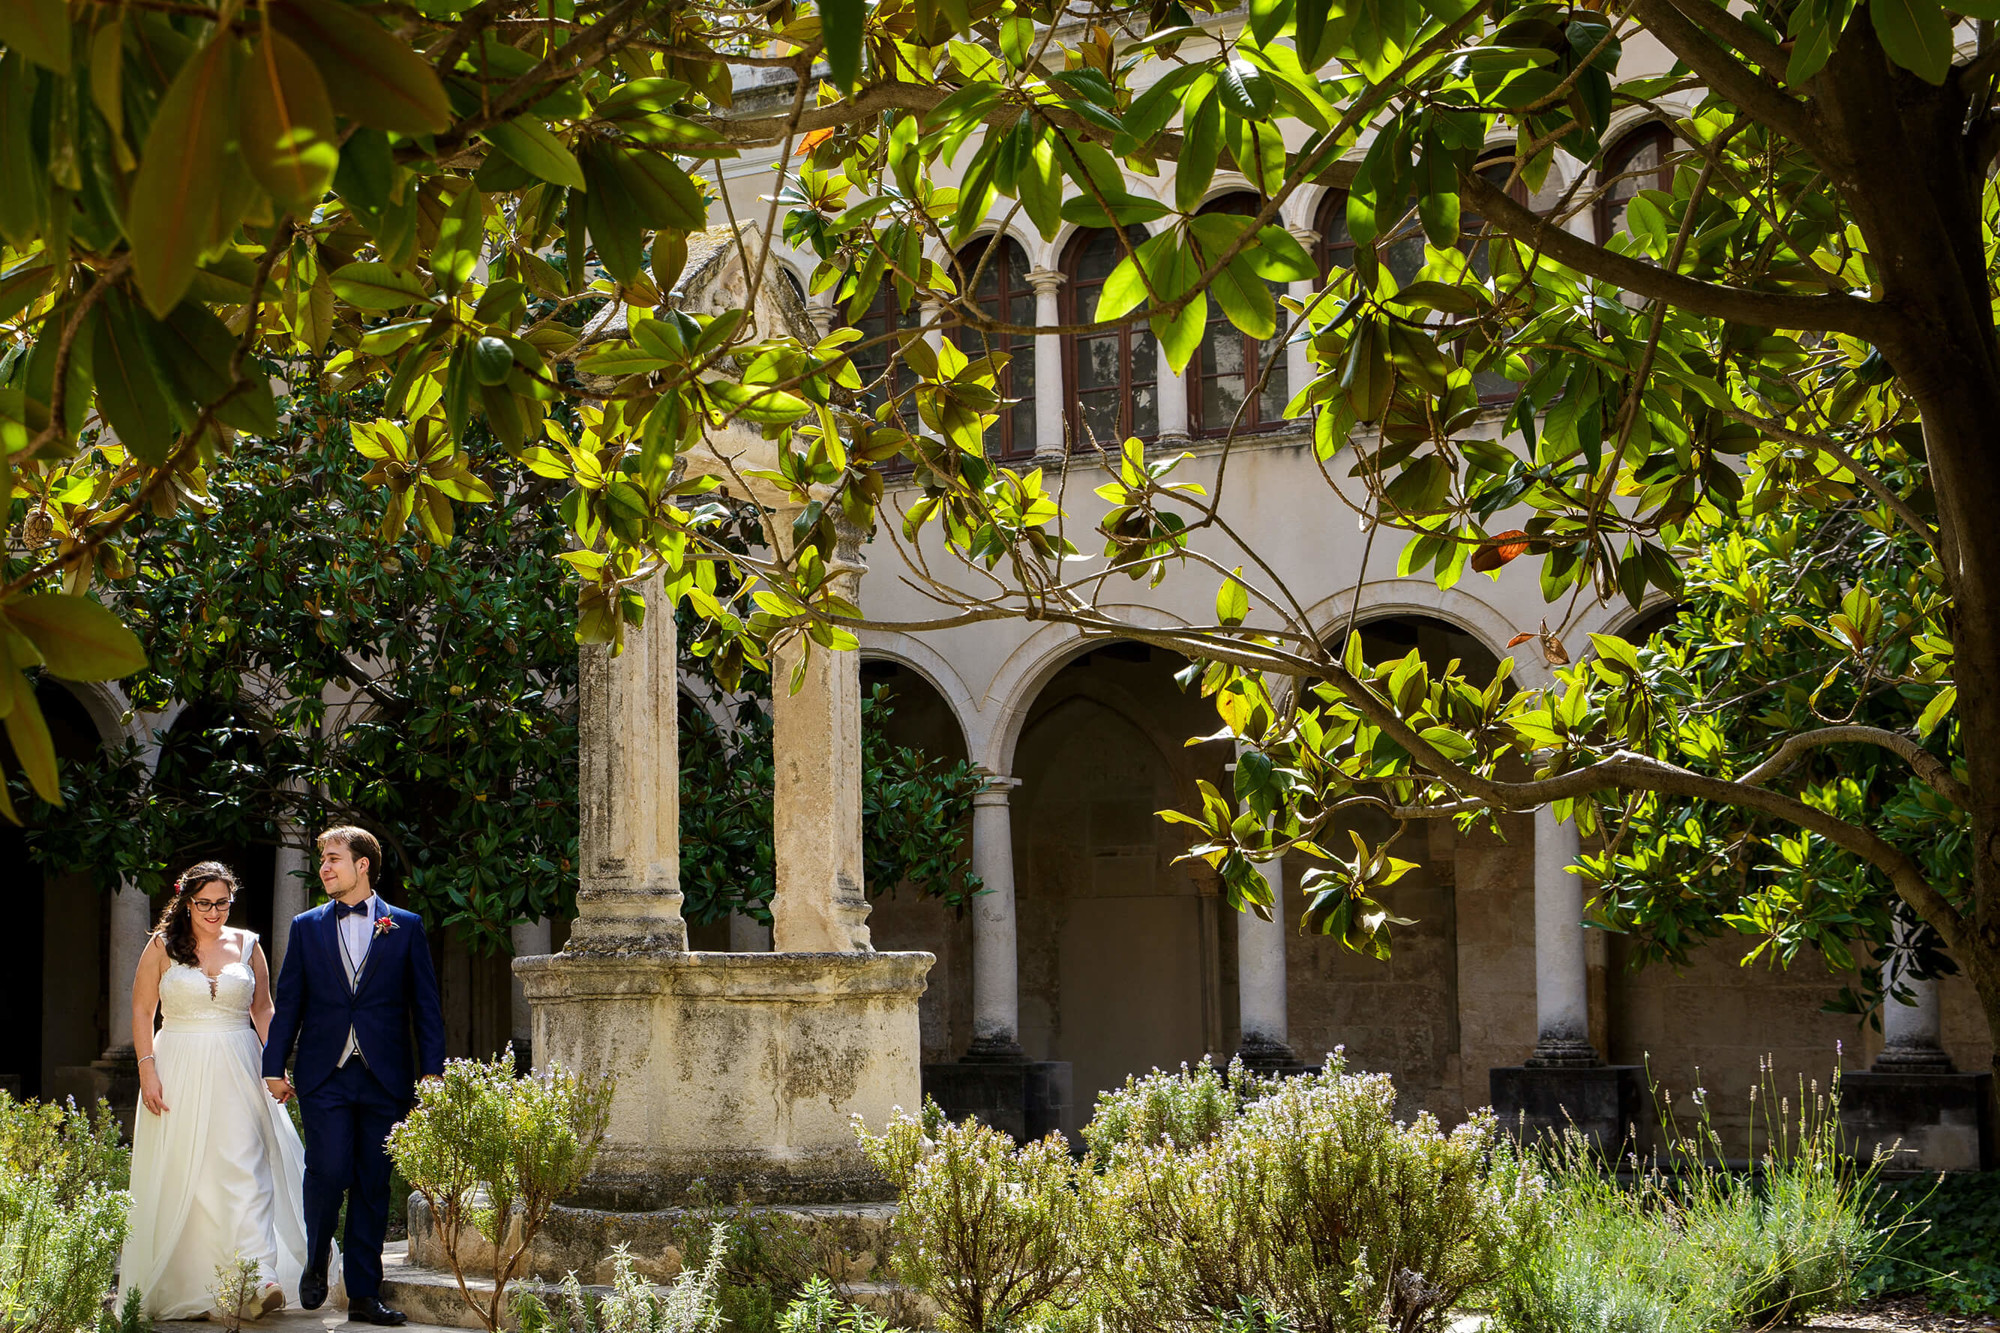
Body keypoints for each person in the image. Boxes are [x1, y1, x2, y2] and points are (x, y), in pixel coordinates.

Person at [263, 826, 445, 1327]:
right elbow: (290, 1004)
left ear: (362, 865)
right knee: (327, 1171)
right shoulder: (306, 927)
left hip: (385, 1075)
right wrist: (273, 1067)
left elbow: (425, 1006)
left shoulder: (405, 926)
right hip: (325, 1074)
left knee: (372, 1183)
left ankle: (364, 1293)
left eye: (333, 858)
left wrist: (432, 1071)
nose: (323, 867)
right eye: (322, 859)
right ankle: (318, 1256)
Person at [119, 862, 315, 1320]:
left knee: (247, 1165)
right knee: (194, 1173)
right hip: (179, 1065)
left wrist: (276, 1065)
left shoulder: (248, 944)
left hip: (239, 1065)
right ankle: (203, 1286)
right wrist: (147, 1071)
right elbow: (142, 1010)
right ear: (186, 902)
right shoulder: (162, 946)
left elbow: (264, 1010)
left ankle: (258, 1276)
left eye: (222, 902)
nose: (214, 912)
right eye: (204, 903)